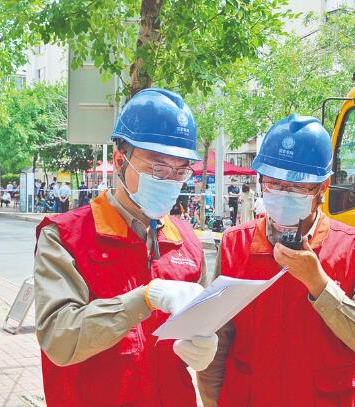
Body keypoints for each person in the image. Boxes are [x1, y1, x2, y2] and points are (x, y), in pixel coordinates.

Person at [34, 88, 218, 407]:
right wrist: (142, 299)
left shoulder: (187, 243)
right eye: (158, 168)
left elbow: (196, 326)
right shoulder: (65, 237)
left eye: (180, 171)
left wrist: (203, 348)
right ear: (120, 160)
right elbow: (59, 339)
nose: (169, 180)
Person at [197, 114, 355, 406]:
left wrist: (320, 285)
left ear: (322, 188)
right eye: (274, 184)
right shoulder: (235, 245)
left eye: (297, 187)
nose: (282, 194)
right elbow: (216, 342)